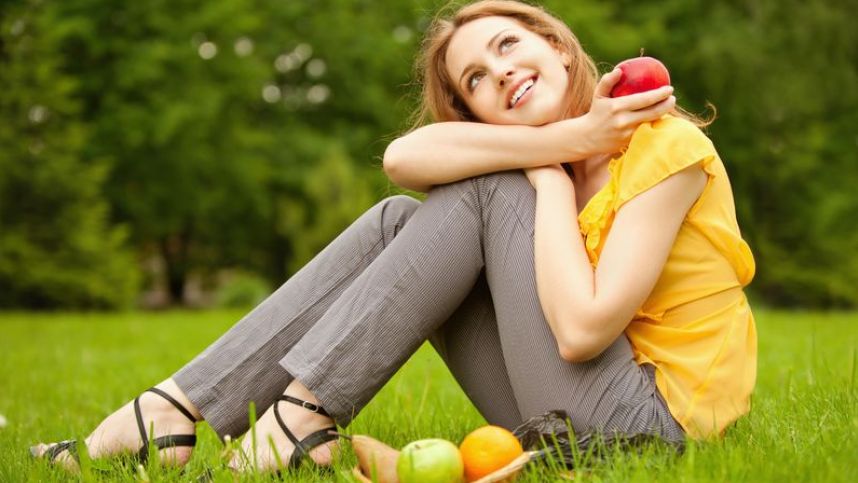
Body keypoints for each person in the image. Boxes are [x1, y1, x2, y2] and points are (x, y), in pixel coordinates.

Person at [31, 0, 756, 474]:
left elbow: (582, 331)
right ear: (477, 115)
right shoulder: (549, 158)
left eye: (508, 44)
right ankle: (174, 411)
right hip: (561, 417)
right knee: (395, 220)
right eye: (476, 78)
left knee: (492, 188)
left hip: (645, 428)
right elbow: (402, 161)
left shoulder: (661, 147)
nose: (501, 71)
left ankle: (296, 419)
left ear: (560, 48)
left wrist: (549, 178)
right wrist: (565, 145)